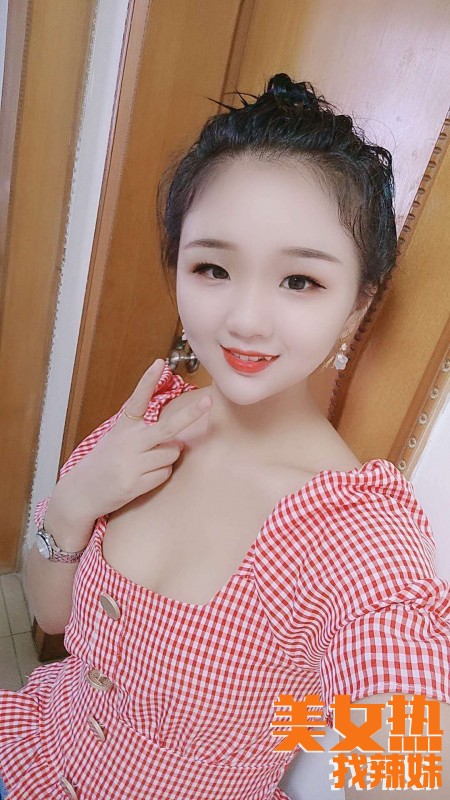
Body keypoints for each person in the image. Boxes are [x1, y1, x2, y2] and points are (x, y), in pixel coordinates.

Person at [0, 73, 448, 800]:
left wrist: (385, 756)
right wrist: (77, 500)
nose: (244, 320)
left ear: (357, 303)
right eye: (213, 268)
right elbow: (50, 614)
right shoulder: (148, 423)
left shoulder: (355, 529)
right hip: (34, 752)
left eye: (299, 281)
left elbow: (407, 746)